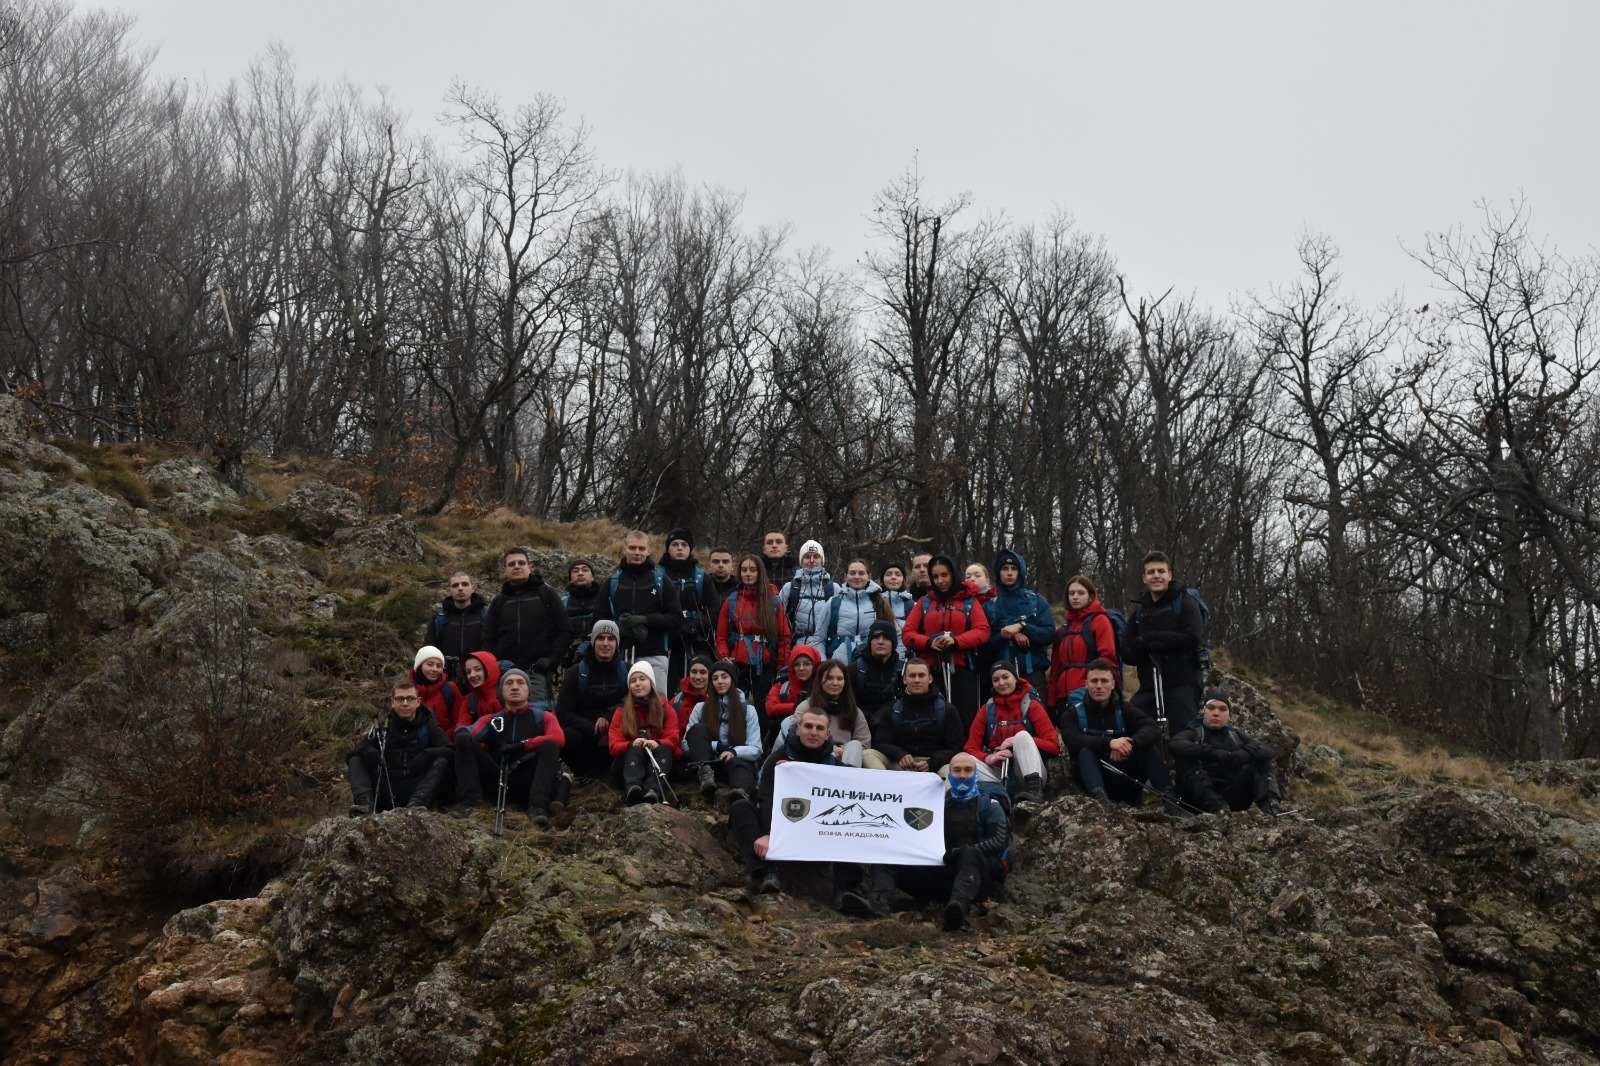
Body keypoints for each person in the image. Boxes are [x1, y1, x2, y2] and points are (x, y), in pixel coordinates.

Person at [728, 704, 894, 915]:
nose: (813, 732)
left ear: (827, 734)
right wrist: (770, 835)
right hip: (781, 832)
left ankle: (846, 891)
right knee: (741, 807)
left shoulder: (836, 766)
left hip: (818, 836)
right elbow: (767, 800)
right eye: (808, 726)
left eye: (819, 728)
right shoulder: (778, 760)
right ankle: (763, 874)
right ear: (798, 729)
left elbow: (859, 793)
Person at [893, 752, 1010, 931]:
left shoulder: (990, 804)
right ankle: (880, 901)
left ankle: (957, 908)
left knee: (970, 854)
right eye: (957, 770)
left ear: (976, 774)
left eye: (968, 770)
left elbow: (999, 841)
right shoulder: (939, 804)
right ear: (949, 775)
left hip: (980, 876)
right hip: (945, 872)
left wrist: (962, 853)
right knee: (896, 856)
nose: (962, 775)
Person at [451, 667, 566, 825]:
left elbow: (558, 738)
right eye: (509, 683)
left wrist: (523, 745)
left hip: (529, 779)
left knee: (550, 745)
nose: (514, 687)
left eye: (520, 683)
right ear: (501, 691)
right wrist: (463, 733)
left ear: (528, 690)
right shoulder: (491, 719)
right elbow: (467, 732)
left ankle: (538, 807)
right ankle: (469, 802)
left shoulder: (544, 717)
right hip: (497, 776)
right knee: (463, 740)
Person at [1059, 659, 1175, 812]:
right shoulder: (1072, 713)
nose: (1099, 686)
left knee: (1149, 748)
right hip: (1092, 781)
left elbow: (1152, 728)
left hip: (1127, 778)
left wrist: (1129, 743)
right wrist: (1109, 743)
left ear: (1113, 684)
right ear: (1086, 684)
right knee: (1085, 752)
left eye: (1104, 681)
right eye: (1094, 681)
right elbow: (1072, 740)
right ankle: (1101, 803)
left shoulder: (1125, 709)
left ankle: (1170, 800)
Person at [901, 554, 992, 727]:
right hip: (931, 671)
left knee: (965, 718)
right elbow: (908, 633)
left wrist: (957, 641)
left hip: (963, 669)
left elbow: (983, 630)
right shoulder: (924, 602)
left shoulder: (969, 601)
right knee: (934, 718)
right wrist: (928, 642)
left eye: (944, 575)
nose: (940, 580)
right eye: (935, 576)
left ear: (953, 574)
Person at [1126, 551, 1204, 735]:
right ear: (1144, 578)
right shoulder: (1139, 613)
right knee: (1135, 732)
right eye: (1151, 572)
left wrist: (1153, 639)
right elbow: (1126, 650)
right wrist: (1145, 646)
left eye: (1161, 571)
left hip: (1182, 685)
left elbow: (1193, 638)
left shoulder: (1185, 603)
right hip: (1148, 687)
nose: (1156, 576)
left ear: (1170, 575)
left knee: (1184, 741)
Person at [345, 678, 451, 814]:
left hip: (418, 785)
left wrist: (427, 754)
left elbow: (449, 749)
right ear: (392, 703)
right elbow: (356, 751)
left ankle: (415, 807)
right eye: (400, 699)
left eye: (410, 699)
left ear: (418, 702)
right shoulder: (383, 725)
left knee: (442, 761)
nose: (405, 703)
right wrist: (370, 751)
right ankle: (365, 805)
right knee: (355, 760)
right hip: (386, 787)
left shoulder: (428, 724)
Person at [1169, 692, 1282, 815]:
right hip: (1198, 799)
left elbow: (1268, 750)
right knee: (1186, 759)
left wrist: (1245, 753)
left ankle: (1271, 808)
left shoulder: (1235, 735)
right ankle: (1216, 807)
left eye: (1222, 709)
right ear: (1203, 711)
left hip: (1232, 797)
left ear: (1229, 716)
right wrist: (1212, 752)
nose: (1216, 713)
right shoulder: (1194, 732)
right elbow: (1176, 744)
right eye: (1211, 708)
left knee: (1262, 761)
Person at [964, 661, 1058, 806]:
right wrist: (989, 757)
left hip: (1032, 773)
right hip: (999, 771)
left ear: (1015, 678)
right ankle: (962, 802)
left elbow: (1054, 746)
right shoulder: (987, 709)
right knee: (962, 760)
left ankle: (1035, 794)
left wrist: (1017, 741)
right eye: (996, 680)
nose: (1001, 683)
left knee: (1022, 736)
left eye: (1005, 677)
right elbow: (970, 747)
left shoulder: (1031, 705)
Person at [482, 546, 567, 704]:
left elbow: (564, 630)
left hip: (537, 671)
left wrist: (552, 660)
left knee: (539, 717)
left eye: (521, 563)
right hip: (506, 671)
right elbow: (488, 637)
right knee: (507, 717)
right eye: (511, 564)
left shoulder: (546, 594)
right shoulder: (498, 601)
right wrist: (494, 664)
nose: (517, 566)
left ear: (530, 567)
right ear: (505, 570)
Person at [776, 660, 890, 770]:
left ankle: (845, 783)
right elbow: (794, 735)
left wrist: (842, 750)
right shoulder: (806, 707)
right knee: (785, 725)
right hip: (811, 756)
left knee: (855, 745)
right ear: (820, 680)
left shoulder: (855, 711)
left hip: (844, 760)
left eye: (839, 678)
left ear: (845, 682)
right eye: (829, 678)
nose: (835, 683)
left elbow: (864, 745)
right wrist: (828, 749)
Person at [607, 530, 682, 695]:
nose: (637, 553)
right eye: (632, 548)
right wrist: (618, 628)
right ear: (625, 549)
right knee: (621, 706)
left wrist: (645, 620)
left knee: (658, 707)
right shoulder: (612, 582)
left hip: (655, 653)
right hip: (620, 656)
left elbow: (676, 618)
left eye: (641, 549)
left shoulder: (662, 581)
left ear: (649, 551)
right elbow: (599, 617)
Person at [553, 620, 629, 779]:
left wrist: (609, 718)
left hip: (615, 733)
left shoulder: (627, 671)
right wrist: (591, 727)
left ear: (617, 643)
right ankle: (584, 774)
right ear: (593, 641)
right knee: (566, 736)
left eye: (611, 638)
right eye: (601, 638)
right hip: (585, 734)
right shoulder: (575, 672)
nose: (606, 643)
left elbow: (633, 702)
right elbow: (563, 712)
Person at [716, 554, 791, 715]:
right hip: (737, 664)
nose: (747, 574)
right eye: (744, 570)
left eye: (752, 570)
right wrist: (724, 657)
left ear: (760, 572)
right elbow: (721, 635)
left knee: (762, 707)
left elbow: (784, 637)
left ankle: (762, 739)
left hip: (765, 665)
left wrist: (781, 668)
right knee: (735, 707)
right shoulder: (732, 600)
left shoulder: (773, 601)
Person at [681, 659, 762, 800]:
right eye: (715, 678)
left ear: (732, 680)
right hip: (707, 763)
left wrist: (733, 751)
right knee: (698, 729)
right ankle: (705, 778)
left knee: (740, 765)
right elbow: (686, 743)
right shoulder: (700, 707)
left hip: (733, 761)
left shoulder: (748, 710)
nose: (719, 681)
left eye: (724, 677)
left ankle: (739, 793)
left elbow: (756, 749)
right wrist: (716, 746)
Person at [873, 658, 964, 775]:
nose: (917, 680)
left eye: (921, 675)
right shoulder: (892, 709)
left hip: (935, 766)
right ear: (905, 679)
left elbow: (956, 748)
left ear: (930, 678)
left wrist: (933, 762)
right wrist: (899, 754)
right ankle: (885, 790)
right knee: (868, 755)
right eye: (912, 676)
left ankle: (948, 793)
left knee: (952, 772)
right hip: (900, 764)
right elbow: (880, 742)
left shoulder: (947, 710)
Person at [608, 662, 681, 805]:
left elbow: (673, 738)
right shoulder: (621, 712)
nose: (638, 684)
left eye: (642, 679)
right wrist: (631, 744)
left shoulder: (665, 708)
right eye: (633, 681)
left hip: (657, 761)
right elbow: (614, 745)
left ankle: (653, 790)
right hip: (629, 764)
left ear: (651, 682)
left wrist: (657, 743)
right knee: (635, 746)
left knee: (665, 748)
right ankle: (633, 789)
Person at [985, 550, 1055, 696]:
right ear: (998, 572)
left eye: (1014, 569)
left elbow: (1049, 634)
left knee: (1036, 717)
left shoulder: (1037, 601)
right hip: (1001, 677)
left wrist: (1023, 627)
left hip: (1032, 674)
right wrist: (1006, 635)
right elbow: (984, 643)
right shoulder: (990, 606)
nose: (1009, 573)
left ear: (1020, 572)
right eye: (1005, 569)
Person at [1049, 574, 1120, 710]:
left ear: (1091, 596)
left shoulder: (1100, 621)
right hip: (1062, 696)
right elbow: (1055, 668)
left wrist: (1097, 688)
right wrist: (1052, 701)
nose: (1075, 597)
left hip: (1089, 694)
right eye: (1071, 593)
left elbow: (1107, 657)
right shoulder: (1064, 629)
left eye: (1081, 593)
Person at [660, 528, 714, 691]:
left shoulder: (702, 577)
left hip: (695, 642)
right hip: (665, 641)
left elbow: (714, 611)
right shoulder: (656, 576)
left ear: (690, 549)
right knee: (666, 687)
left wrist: (695, 625)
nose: (679, 548)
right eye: (675, 544)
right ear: (668, 548)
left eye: (684, 544)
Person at [825, 559, 894, 663]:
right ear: (845, 577)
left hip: (872, 663)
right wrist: (822, 662)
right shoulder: (833, 602)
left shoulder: (880, 602)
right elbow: (819, 637)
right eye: (852, 573)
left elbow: (892, 636)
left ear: (869, 576)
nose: (857, 577)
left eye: (861, 573)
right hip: (839, 665)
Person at [423, 571, 488, 677]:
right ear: (450, 590)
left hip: (477, 676)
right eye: (455, 585)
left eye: (465, 584)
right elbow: (429, 650)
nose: (460, 588)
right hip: (446, 677)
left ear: (473, 589)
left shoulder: (486, 616)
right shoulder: (439, 618)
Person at [779, 539, 836, 651]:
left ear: (822, 560)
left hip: (826, 645)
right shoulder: (789, 588)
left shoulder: (833, 588)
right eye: (807, 556)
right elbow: (778, 621)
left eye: (816, 556)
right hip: (796, 645)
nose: (811, 560)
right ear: (801, 561)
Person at [764, 644, 821, 742]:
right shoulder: (782, 685)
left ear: (814, 666)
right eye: (797, 664)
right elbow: (770, 707)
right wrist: (796, 707)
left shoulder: (822, 686)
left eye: (806, 664)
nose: (801, 668)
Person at [850, 620, 902, 721]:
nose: (880, 642)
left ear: (893, 643)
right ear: (870, 642)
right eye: (876, 637)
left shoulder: (902, 671)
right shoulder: (854, 670)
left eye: (886, 638)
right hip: (860, 724)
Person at [561, 561, 605, 669]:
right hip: (572, 657)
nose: (580, 573)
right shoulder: (563, 603)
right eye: (575, 571)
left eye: (585, 570)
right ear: (570, 578)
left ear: (592, 577)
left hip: (602, 652)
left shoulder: (604, 599)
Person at [447, 650, 503, 733]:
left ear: (489, 669)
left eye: (477, 669)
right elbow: (462, 725)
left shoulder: (504, 698)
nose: (472, 675)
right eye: (468, 672)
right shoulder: (469, 700)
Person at [411, 646, 461, 728]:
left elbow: (458, 722)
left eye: (439, 666)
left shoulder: (450, 689)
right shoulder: (407, 689)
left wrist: (444, 739)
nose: (434, 669)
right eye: (430, 664)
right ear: (419, 665)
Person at [702, 547, 739, 645]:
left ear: (732, 566)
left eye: (725, 561)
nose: (721, 565)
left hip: (734, 641)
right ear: (709, 565)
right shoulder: (700, 586)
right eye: (716, 561)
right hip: (705, 640)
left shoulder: (741, 588)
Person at [670, 653, 715, 726]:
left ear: (709, 675)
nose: (698, 677)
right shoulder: (677, 701)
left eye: (703, 672)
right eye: (694, 672)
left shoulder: (717, 698)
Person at [878, 563, 914, 642]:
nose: (893, 577)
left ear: (903, 580)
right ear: (882, 580)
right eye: (888, 574)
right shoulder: (876, 603)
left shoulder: (911, 604)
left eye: (898, 575)